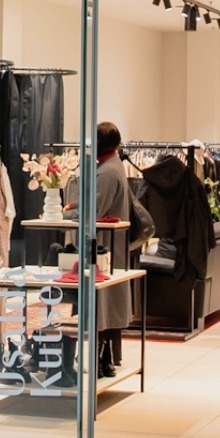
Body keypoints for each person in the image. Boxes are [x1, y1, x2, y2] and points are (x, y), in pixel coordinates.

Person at [94, 121, 132, 377]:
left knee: (103, 303)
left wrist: (69, 210)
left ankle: (102, 354)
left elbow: (95, 210)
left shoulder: (107, 172)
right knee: (106, 303)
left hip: (104, 247)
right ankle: (106, 354)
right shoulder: (113, 166)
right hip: (110, 245)